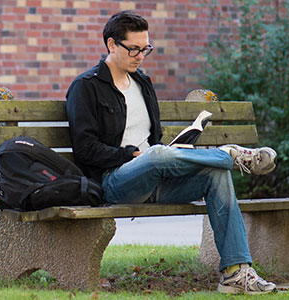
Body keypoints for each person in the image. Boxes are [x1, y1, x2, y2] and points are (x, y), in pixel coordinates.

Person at [65, 10, 278, 295]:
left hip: (157, 177)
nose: (140, 56)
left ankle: (235, 272)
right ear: (111, 45)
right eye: (134, 49)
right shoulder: (85, 87)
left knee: (215, 174)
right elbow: (85, 149)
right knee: (155, 154)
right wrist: (131, 156)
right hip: (114, 182)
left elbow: (155, 139)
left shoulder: (143, 83)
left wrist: (173, 149)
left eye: (145, 49)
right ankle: (230, 155)